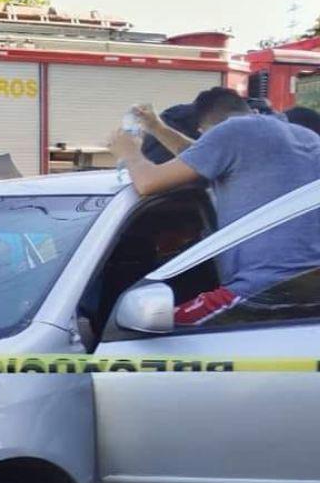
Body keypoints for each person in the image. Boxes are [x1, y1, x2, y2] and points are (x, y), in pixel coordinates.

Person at [110, 86, 320, 325]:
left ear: (206, 131)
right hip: (309, 287)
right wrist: (157, 128)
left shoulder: (234, 131)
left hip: (262, 291)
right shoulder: (303, 137)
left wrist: (129, 153)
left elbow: (147, 183)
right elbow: (200, 156)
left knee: (148, 329)